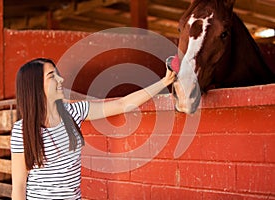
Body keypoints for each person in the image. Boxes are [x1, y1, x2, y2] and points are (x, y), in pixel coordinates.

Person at [10, 58, 176, 200]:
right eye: (52, 76)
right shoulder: (22, 130)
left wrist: (164, 81)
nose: (60, 79)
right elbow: (18, 185)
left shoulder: (75, 112)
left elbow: (122, 104)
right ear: (36, 86)